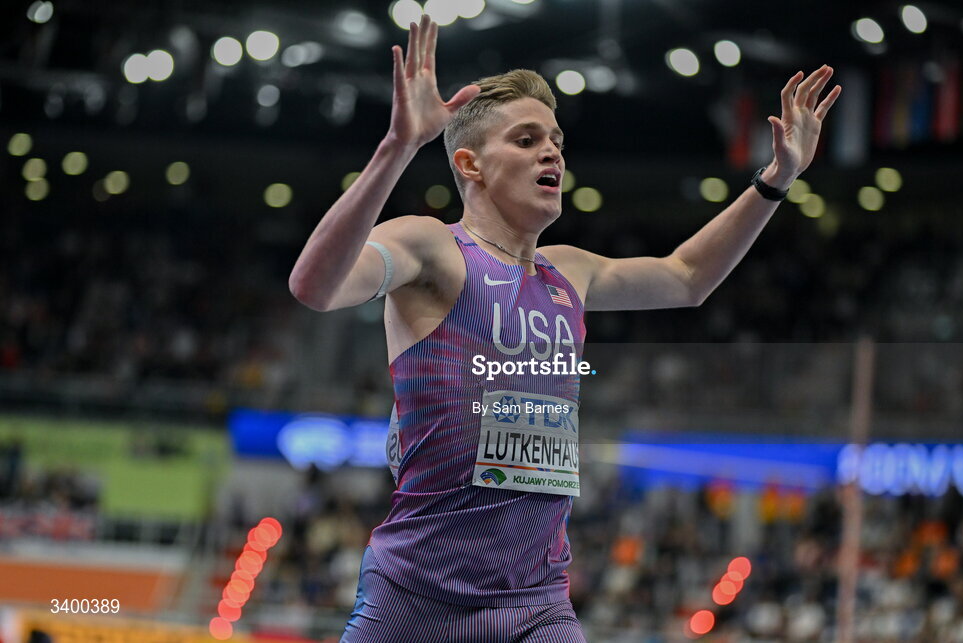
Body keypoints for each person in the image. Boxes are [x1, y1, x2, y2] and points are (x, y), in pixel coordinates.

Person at [288, 14, 840, 643]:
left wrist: (776, 181)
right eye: (525, 140)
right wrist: (398, 148)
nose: (551, 151)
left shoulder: (568, 272)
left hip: (537, 602)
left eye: (555, 140)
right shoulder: (432, 248)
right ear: (469, 163)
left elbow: (688, 278)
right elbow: (314, 286)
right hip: (418, 596)